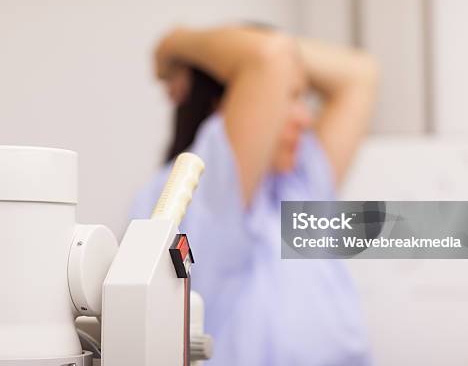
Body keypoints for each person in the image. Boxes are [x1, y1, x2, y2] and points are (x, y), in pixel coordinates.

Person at [129, 25, 378, 365]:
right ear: (227, 106)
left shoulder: (298, 184)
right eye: (290, 98)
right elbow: (268, 56)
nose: (305, 119)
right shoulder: (201, 191)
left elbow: (359, 74)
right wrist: (173, 46)